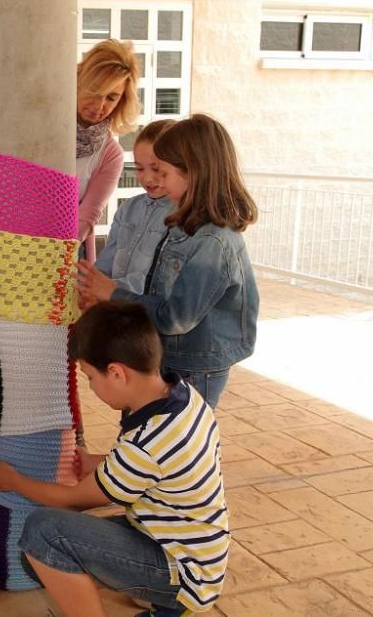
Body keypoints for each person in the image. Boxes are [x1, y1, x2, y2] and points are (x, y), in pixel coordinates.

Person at [0, 301, 229, 617]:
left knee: (43, 534)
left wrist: (12, 481)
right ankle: (156, 594)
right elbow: (164, 466)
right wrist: (99, 463)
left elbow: (72, 501)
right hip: (195, 552)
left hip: (183, 573)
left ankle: (169, 600)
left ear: (117, 373)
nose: (91, 387)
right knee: (49, 548)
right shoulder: (184, 397)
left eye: (90, 377)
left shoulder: (144, 445)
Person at [77, 114, 259, 408]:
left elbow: (176, 317)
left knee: (182, 442)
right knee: (152, 429)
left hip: (196, 364)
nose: (155, 180)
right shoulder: (183, 224)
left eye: (164, 172)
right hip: (168, 352)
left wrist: (112, 294)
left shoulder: (213, 242)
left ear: (194, 173)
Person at [75, 39, 141, 262]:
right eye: (94, 91)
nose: (99, 105)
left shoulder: (111, 154)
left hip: (65, 251)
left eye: (111, 97)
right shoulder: (42, 126)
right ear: (77, 83)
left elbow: (87, 217)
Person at [94, 119, 176, 294]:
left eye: (156, 169)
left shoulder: (182, 216)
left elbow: (158, 283)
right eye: (139, 169)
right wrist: (90, 285)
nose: (147, 179)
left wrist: (110, 290)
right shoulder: (128, 208)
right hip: (113, 308)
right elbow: (105, 263)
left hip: (147, 314)